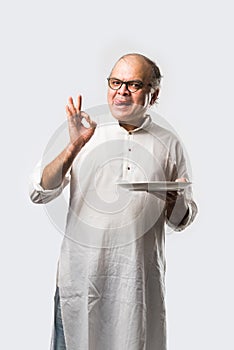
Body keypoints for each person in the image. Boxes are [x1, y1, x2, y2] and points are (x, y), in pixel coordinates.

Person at [29, 53, 198, 350]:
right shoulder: (86, 134)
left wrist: (174, 200)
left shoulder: (169, 143)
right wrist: (73, 147)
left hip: (136, 284)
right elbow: (40, 191)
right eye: (116, 82)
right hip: (82, 281)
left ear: (153, 94)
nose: (122, 90)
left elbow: (181, 220)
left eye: (133, 84)